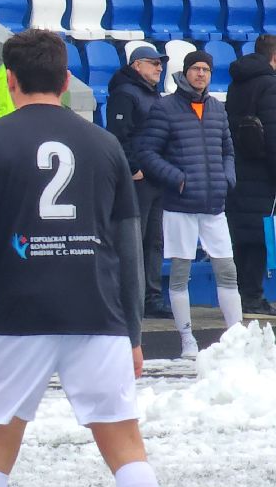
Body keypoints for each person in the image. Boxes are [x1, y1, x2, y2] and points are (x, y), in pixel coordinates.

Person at [0, 28, 179, 487]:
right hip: (97, 313)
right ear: (67, 80)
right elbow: (129, 247)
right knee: (126, 447)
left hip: (20, 317)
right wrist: (132, 333)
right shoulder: (104, 144)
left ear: (11, 80)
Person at [136, 50, 241, 357]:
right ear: (185, 72)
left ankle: (235, 340)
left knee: (227, 271)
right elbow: (147, 153)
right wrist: (177, 178)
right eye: (195, 68)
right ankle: (187, 340)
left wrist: (227, 178)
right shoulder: (165, 108)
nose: (201, 74)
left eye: (206, 69)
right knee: (181, 274)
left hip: (213, 205)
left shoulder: (217, 109)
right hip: (180, 206)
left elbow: (228, 151)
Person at [102, 45, 170, 318]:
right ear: (136, 66)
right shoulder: (125, 94)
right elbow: (118, 133)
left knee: (154, 240)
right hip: (139, 179)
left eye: (160, 63)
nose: (159, 67)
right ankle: (129, 297)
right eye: (153, 63)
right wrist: (132, 167)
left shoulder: (151, 95)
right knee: (134, 239)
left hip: (155, 178)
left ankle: (150, 298)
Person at [223, 35, 276, 315]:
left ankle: (243, 293)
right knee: (258, 236)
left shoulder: (237, 83)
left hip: (238, 168)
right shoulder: (270, 85)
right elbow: (273, 133)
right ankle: (253, 296)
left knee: (242, 235)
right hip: (262, 173)